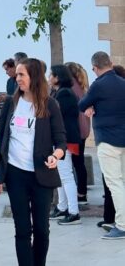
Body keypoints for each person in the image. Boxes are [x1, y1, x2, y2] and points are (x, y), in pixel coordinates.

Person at [0, 58, 67, 266]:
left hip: (41, 174)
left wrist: (55, 156)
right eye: (18, 74)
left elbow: (61, 141)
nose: (17, 78)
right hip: (16, 175)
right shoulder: (12, 103)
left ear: (34, 77)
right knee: (22, 229)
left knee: (41, 229)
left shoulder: (50, 104)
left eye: (22, 74)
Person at [78, 51, 125, 240]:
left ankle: (121, 225)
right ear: (111, 63)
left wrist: (91, 106)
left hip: (107, 140)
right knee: (122, 182)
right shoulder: (123, 83)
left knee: (114, 183)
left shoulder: (98, 85)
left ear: (94, 68)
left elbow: (82, 104)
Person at [48, 64, 82, 225]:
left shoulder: (64, 94)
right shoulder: (61, 92)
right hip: (61, 139)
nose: (49, 78)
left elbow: (57, 117)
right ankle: (62, 207)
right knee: (61, 175)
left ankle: (74, 212)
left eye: (51, 75)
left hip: (65, 140)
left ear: (57, 77)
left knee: (66, 175)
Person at [65, 61, 90, 205]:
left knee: (75, 163)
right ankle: (82, 192)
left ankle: (81, 193)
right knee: (79, 162)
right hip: (83, 130)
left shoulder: (71, 87)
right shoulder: (81, 86)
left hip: (75, 131)